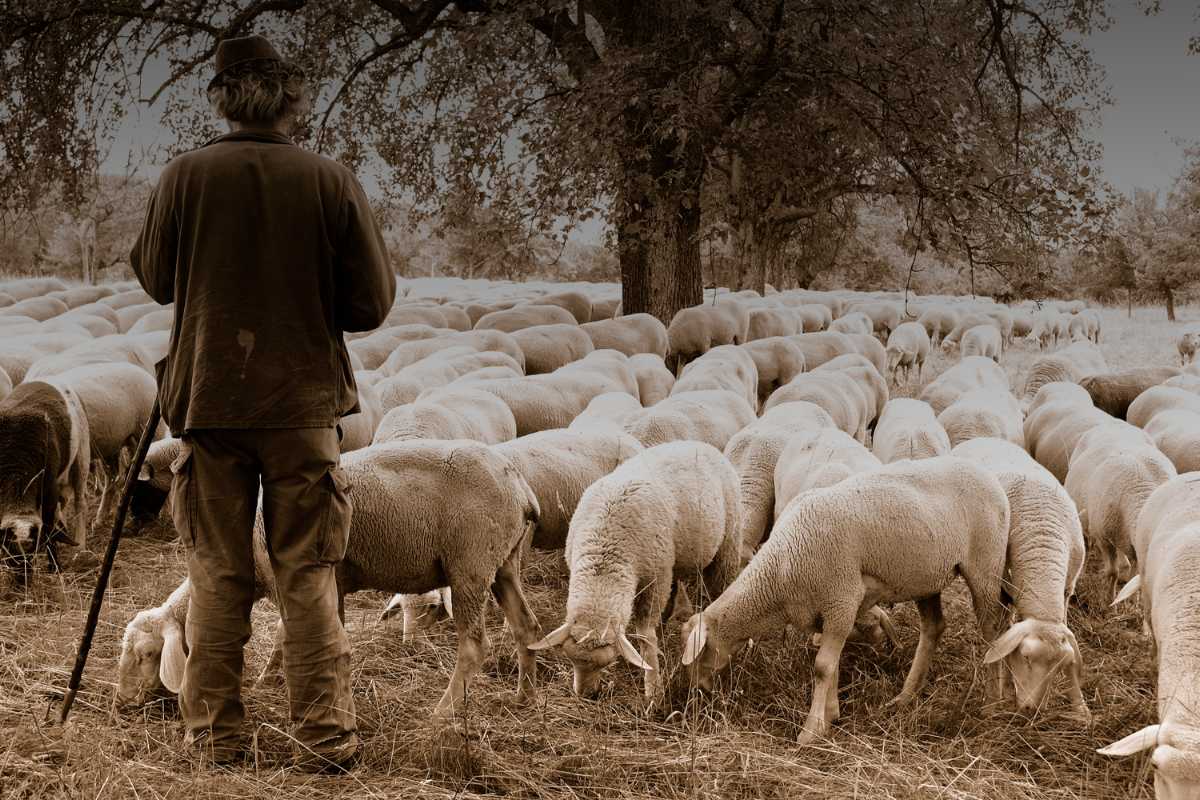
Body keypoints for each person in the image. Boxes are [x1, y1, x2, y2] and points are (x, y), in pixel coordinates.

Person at [130, 34, 395, 772]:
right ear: (289, 98)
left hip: (209, 405)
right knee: (308, 573)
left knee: (218, 571)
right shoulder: (329, 180)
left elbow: (155, 279)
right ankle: (324, 741)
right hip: (303, 407)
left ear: (220, 98)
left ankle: (213, 737)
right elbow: (371, 303)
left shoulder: (185, 176)